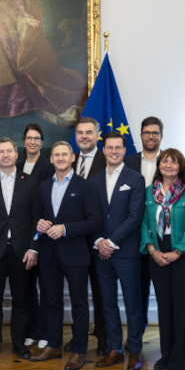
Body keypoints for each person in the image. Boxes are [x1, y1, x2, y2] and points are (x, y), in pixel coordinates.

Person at [31, 141, 103, 370]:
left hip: (76, 254)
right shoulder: (42, 186)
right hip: (49, 253)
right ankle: (53, 345)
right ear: (50, 159)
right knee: (50, 301)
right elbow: (36, 216)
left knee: (79, 303)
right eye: (56, 155)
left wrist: (66, 229)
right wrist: (38, 223)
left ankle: (79, 351)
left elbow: (94, 221)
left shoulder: (86, 186)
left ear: (73, 158)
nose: (60, 158)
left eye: (64, 154)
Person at [0, 137, 42, 360]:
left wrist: (34, 247)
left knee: (22, 299)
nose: (5, 155)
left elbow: (36, 219)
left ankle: (18, 343)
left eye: (9, 151)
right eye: (1, 152)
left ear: (16, 154)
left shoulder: (30, 182)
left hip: (23, 251)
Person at [91, 133, 146, 370]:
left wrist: (111, 242)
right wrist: (99, 241)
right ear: (103, 150)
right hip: (100, 252)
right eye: (109, 147)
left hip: (125, 252)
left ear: (125, 151)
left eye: (118, 148)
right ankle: (115, 348)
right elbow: (90, 217)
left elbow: (135, 217)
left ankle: (134, 349)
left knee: (133, 304)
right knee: (108, 304)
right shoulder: (92, 181)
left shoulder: (135, 179)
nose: (114, 151)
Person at [141, 148, 185, 370]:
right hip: (157, 255)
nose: (169, 165)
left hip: (181, 257)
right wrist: (152, 249)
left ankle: (181, 360)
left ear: (181, 166)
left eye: (174, 162)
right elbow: (143, 222)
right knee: (165, 307)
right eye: (165, 161)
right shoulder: (149, 191)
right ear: (159, 165)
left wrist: (179, 251)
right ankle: (167, 354)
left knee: (182, 308)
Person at [73, 116, 108, 357]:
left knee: (100, 292)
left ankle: (104, 339)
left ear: (97, 135)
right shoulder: (68, 160)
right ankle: (79, 340)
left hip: (97, 238)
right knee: (77, 293)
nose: (84, 136)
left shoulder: (108, 160)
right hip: (73, 240)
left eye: (89, 132)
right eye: (80, 133)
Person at [126, 117, 163, 331]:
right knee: (137, 288)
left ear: (161, 136)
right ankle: (137, 332)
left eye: (155, 133)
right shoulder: (129, 161)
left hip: (162, 236)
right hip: (134, 236)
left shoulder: (169, 161)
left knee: (163, 288)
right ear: (140, 136)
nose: (151, 136)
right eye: (147, 132)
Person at [19, 122, 51, 347]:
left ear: (42, 142)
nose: (32, 142)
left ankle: (45, 332)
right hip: (21, 235)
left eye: (36, 138)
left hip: (42, 234)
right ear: (24, 142)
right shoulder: (17, 164)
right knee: (26, 287)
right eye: (29, 138)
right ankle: (31, 329)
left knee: (46, 286)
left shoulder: (48, 166)